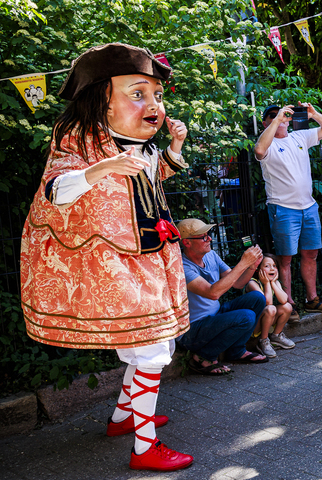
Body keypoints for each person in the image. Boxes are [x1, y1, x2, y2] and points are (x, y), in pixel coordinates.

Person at [19, 43, 193, 471]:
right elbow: (55, 191)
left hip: (150, 257)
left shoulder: (138, 144)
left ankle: (123, 418)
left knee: (150, 344)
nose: (153, 105)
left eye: (157, 95)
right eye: (138, 94)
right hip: (113, 267)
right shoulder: (78, 139)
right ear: (102, 98)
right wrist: (100, 169)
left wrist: (174, 147)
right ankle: (144, 448)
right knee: (151, 349)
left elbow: (152, 177)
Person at [254, 103, 322, 319]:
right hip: (283, 208)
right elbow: (259, 150)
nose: (280, 117)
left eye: (282, 114)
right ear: (265, 123)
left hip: (309, 207)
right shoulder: (268, 142)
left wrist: (314, 114)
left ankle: (312, 299)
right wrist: (277, 120)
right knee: (285, 259)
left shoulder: (299, 136)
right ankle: (288, 304)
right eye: (272, 116)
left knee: (311, 254)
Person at [178, 217, 270, 366]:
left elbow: (238, 283)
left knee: (257, 298)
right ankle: (204, 357)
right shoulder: (182, 266)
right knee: (246, 317)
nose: (209, 239)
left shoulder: (211, 255)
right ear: (187, 243)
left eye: (208, 234)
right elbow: (212, 293)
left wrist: (252, 266)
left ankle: (237, 351)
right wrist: (243, 263)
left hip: (215, 316)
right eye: (203, 237)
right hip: (192, 330)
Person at [245, 253, 295, 358]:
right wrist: (267, 283)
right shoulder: (252, 283)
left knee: (287, 307)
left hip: (266, 321)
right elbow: (267, 303)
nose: (272, 268)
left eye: (274, 266)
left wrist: (272, 283)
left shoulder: (275, 282)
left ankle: (276, 336)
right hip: (253, 326)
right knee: (270, 309)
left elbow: (284, 300)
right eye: (267, 266)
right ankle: (263, 341)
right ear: (258, 269)